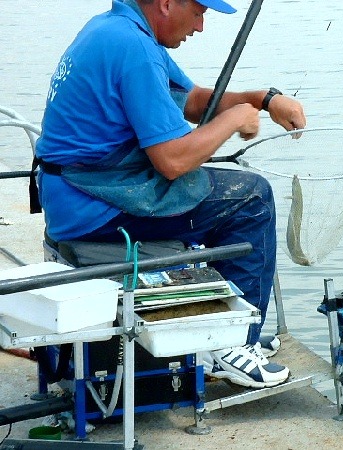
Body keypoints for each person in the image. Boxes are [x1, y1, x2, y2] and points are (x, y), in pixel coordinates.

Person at [34, 0, 306, 389]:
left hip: (78, 192)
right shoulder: (134, 48)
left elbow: (195, 102)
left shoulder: (117, 29)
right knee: (251, 199)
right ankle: (230, 344)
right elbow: (173, 162)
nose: (200, 28)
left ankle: (221, 326)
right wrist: (232, 120)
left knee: (224, 193)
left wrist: (263, 98)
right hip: (91, 205)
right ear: (165, 4)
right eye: (199, 13)